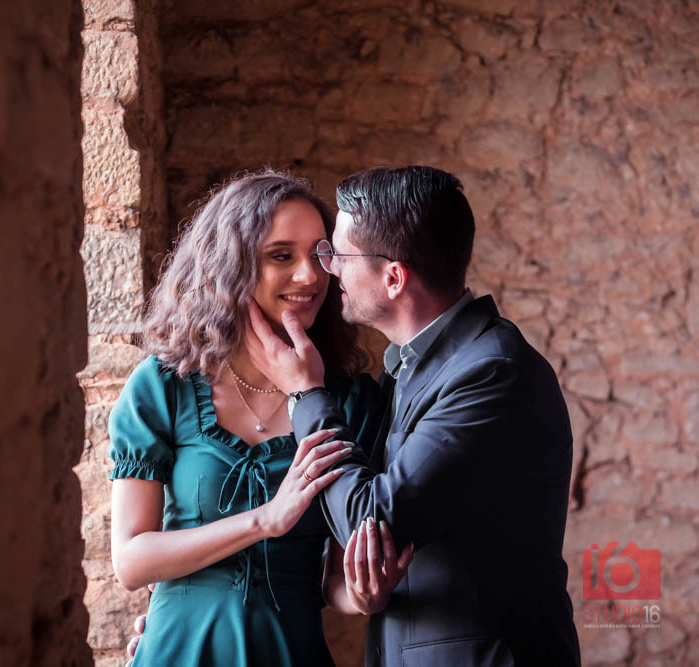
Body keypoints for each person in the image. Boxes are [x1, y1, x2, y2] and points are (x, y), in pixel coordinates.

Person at [245, 165, 581, 666]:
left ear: (394, 278)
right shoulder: (409, 368)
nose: (327, 270)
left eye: (338, 255)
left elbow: (367, 520)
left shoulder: (492, 373)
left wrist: (305, 392)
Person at [108, 170, 413, 667]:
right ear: (231, 266)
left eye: (319, 254)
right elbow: (131, 562)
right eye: (281, 256)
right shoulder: (163, 386)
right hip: (177, 652)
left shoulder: (351, 403)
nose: (310, 276)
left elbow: (336, 584)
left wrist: (365, 595)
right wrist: (265, 520)